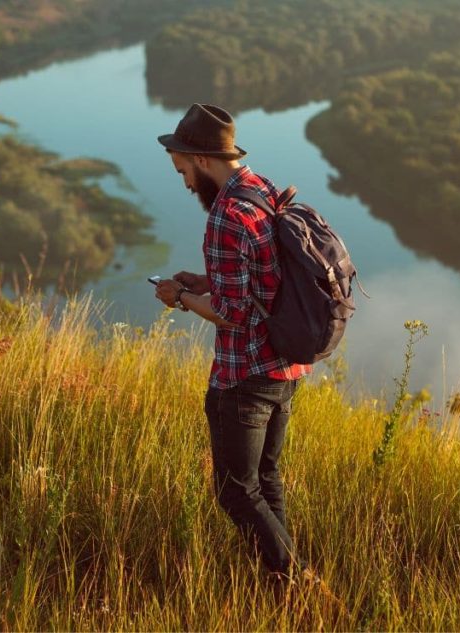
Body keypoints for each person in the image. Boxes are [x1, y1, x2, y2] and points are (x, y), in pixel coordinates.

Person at [153, 103, 313, 582]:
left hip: (244, 376)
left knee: (235, 492)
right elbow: (259, 279)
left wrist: (178, 295)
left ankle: (299, 582)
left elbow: (232, 314)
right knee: (265, 481)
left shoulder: (226, 215)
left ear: (201, 159)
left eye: (183, 170)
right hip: (285, 367)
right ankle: (280, 583)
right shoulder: (261, 189)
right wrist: (206, 281)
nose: (184, 184)